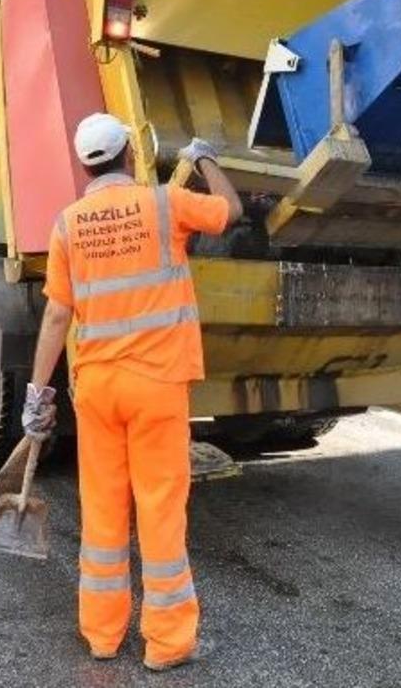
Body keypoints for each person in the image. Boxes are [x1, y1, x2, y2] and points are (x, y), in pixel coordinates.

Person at [21, 113, 243, 671]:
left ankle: (101, 634)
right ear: (128, 155)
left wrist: (35, 392)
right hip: (157, 386)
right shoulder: (165, 203)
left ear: (84, 165)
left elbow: (56, 316)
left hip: (96, 388)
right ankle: (166, 645)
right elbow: (230, 213)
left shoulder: (68, 224)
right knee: (160, 509)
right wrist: (205, 156)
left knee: (103, 510)